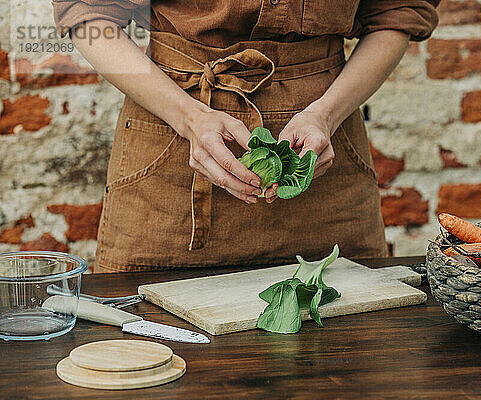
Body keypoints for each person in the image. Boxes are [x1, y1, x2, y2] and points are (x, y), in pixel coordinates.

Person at [52, 0, 440, 272]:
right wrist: (189, 117)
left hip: (326, 166)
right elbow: (90, 16)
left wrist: (326, 114)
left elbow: (397, 13)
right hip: (169, 166)